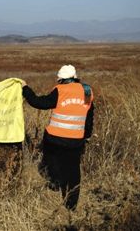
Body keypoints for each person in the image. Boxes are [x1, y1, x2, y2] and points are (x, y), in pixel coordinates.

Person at [21, 65, 94, 210]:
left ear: (60, 79)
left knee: (50, 162)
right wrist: (86, 136)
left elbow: (39, 103)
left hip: (55, 139)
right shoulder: (87, 90)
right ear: (75, 77)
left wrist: (25, 89)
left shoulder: (60, 90)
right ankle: (71, 205)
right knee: (73, 172)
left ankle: (54, 184)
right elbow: (89, 116)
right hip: (76, 140)